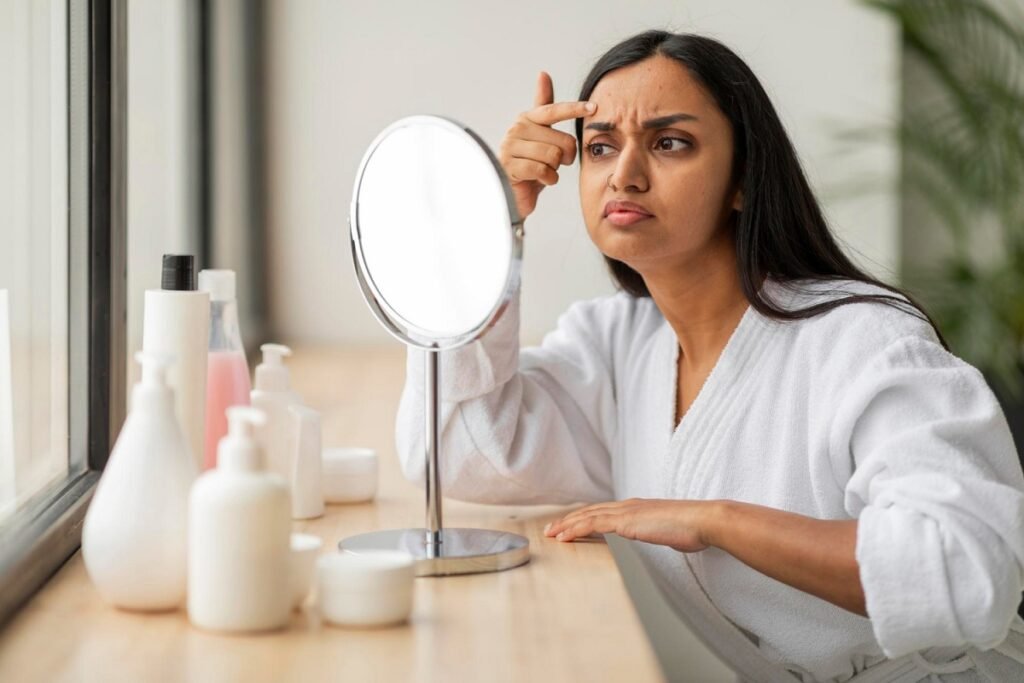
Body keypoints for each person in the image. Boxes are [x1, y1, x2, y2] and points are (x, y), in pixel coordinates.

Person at [395, 30, 1024, 682]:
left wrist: (715, 519)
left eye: (670, 143)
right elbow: (456, 449)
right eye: (602, 146)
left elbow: (968, 570)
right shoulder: (622, 342)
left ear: (742, 181)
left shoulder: (863, 339)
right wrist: (491, 226)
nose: (626, 174)